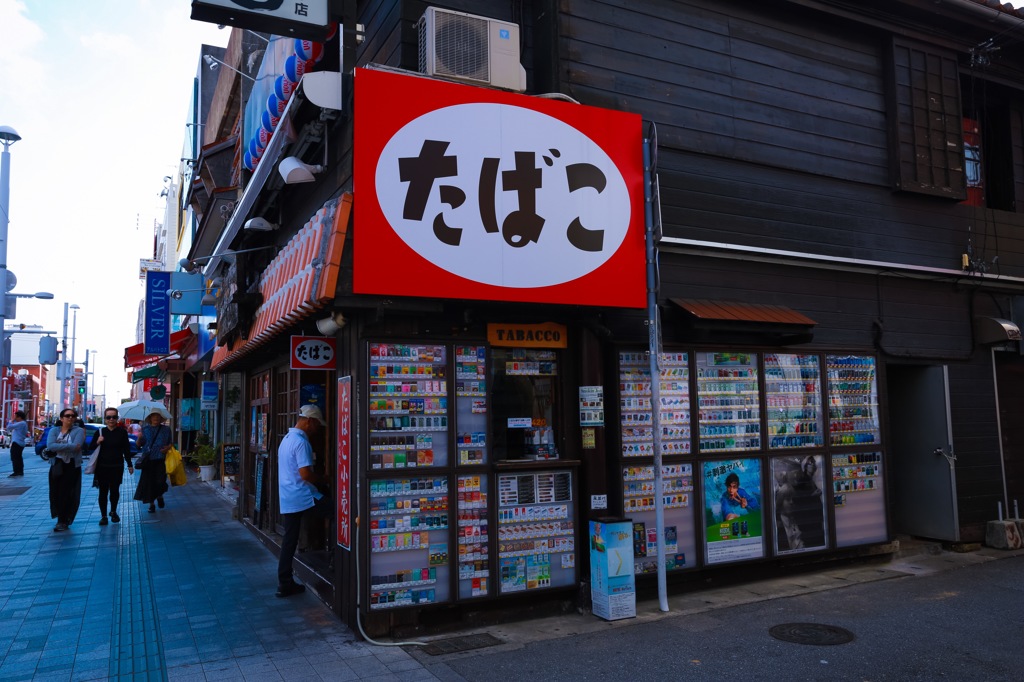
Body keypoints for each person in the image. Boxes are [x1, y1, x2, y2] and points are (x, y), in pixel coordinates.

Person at [276, 404, 325, 598]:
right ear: (309, 421)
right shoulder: (301, 442)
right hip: (304, 495)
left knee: (289, 540)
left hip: (289, 495)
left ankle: (284, 581)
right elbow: (305, 474)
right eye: (317, 424)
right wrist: (323, 479)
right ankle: (336, 559)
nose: (317, 429)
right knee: (336, 511)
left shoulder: (287, 439)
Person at [90, 407, 135, 526]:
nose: (111, 419)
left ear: (117, 418)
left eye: (114, 417)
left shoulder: (122, 432)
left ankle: (113, 511)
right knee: (103, 492)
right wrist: (97, 442)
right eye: (108, 417)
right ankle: (103, 516)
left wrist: (130, 465)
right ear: (105, 419)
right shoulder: (100, 432)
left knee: (115, 490)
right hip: (102, 466)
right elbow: (89, 448)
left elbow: (126, 449)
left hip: (117, 465)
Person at [46, 408, 86, 532]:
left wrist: (59, 447)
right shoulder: (54, 430)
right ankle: (60, 517)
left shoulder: (79, 431)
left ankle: (63, 520)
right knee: (55, 492)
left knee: (67, 492)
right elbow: (50, 446)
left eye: (73, 416)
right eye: (67, 415)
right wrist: (69, 446)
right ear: (61, 418)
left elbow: (77, 448)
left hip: (72, 466)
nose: (70, 418)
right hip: (56, 465)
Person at [133, 410, 171, 513]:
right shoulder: (144, 430)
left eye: (158, 416)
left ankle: (159, 495)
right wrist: (139, 438)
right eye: (154, 417)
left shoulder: (166, 429)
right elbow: (138, 446)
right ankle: (151, 504)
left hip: (160, 459)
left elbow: (170, 443)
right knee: (149, 483)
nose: (156, 418)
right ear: (150, 419)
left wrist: (167, 448)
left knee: (160, 481)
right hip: (148, 460)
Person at [6, 410, 29, 477]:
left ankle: (16, 472)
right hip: (20, 442)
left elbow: (9, 427)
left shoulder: (21, 423)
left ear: (19, 417)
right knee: (18, 457)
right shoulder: (23, 423)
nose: (15, 418)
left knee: (15, 457)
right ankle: (20, 471)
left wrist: (11, 420)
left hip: (17, 442)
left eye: (16, 417)